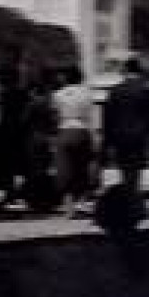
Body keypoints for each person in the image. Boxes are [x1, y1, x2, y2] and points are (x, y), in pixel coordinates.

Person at [101, 58, 149, 198]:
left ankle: (128, 199)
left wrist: (107, 142)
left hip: (120, 136)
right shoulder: (147, 90)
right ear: (139, 71)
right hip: (139, 136)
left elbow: (107, 118)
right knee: (136, 172)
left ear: (126, 71)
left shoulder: (115, 91)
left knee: (124, 170)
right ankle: (133, 199)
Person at [50, 67, 99, 215]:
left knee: (65, 169)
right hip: (83, 130)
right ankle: (83, 202)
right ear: (80, 78)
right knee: (82, 168)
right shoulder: (87, 94)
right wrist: (95, 137)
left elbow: (55, 116)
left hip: (65, 130)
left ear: (65, 78)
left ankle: (68, 207)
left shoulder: (57, 95)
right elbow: (92, 117)